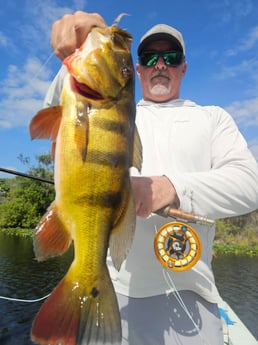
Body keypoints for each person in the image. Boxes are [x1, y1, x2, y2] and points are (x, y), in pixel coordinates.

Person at [45, 11, 258, 345]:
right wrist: (74, 51)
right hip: (115, 294)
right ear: (138, 69)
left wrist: (170, 187)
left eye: (171, 57)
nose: (161, 64)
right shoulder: (120, 108)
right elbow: (64, 106)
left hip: (194, 295)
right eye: (149, 57)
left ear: (184, 67)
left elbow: (251, 183)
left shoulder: (213, 117)